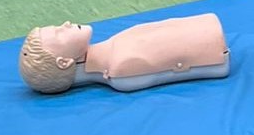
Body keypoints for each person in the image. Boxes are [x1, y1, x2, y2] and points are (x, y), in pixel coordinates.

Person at [18, 15, 229, 94]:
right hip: (212, 42)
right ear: (64, 62)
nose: (65, 24)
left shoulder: (114, 53)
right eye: (59, 33)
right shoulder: (120, 68)